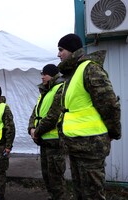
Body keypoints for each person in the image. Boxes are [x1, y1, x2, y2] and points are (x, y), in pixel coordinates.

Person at [56, 33, 121, 199]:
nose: (58, 54)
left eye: (61, 50)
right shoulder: (72, 75)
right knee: (80, 193)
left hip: (91, 148)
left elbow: (109, 105)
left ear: (72, 50)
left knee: (92, 195)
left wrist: (113, 133)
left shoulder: (90, 69)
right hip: (76, 146)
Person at [28, 64, 67, 200]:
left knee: (56, 177)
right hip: (44, 141)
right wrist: (31, 128)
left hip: (55, 143)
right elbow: (35, 112)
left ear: (52, 75)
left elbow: (53, 116)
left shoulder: (60, 89)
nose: (42, 77)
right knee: (47, 176)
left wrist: (36, 132)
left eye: (44, 74)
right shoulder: (45, 92)